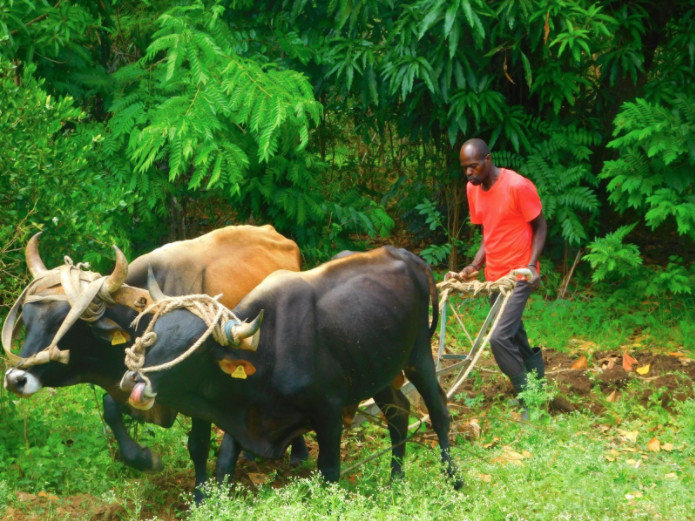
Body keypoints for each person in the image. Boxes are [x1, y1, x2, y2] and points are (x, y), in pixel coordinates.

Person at [448, 138, 547, 400]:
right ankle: (539, 385)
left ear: (488, 160)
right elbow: (488, 233)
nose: (469, 173)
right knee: (513, 334)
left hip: (519, 274)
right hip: (495, 276)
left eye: (473, 166)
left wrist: (531, 266)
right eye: (465, 168)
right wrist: (473, 265)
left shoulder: (517, 185)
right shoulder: (473, 189)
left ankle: (529, 398)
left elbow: (540, 226)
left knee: (499, 338)